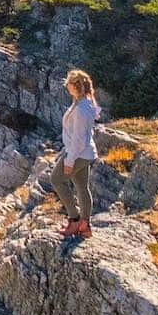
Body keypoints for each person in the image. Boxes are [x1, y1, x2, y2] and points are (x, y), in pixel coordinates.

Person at [58, 69, 100, 239]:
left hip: (78, 153)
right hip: (85, 153)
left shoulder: (82, 108)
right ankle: (85, 225)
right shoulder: (84, 103)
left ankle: (74, 219)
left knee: (56, 180)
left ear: (74, 86)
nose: (66, 87)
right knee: (82, 187)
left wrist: (69, 161)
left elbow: (78, 139)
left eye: (68, 84)